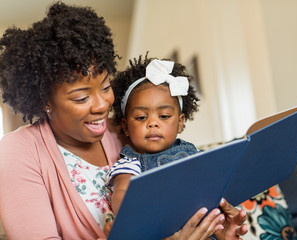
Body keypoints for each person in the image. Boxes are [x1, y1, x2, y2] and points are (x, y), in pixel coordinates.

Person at [0, 2, 247, 240]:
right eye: (81, 97)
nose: (102, 105)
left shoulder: (127, 130)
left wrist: (218, 230)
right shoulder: (18, 152)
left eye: (106, 87)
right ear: (45, 101)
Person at [104, 55, 201, 215]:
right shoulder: (130, 165)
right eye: (141, 117)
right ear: (126, 126)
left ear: (180, 122)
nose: (153, 123)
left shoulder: (193, 153)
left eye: (163, 116)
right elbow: (122, 198)